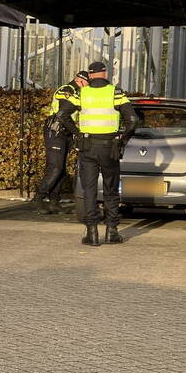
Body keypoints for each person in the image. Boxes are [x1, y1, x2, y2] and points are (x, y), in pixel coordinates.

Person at [58, 61, 138, 246]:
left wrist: (76, 132)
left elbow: (62, 114)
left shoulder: (81, 93)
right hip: (109, 146)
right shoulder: (115, 92)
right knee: (110, 189)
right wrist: (122, 137)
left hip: (87, 146)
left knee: (90, 190)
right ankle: (112, 231)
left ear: (90, 75)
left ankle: (92, 233)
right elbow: (133, 120)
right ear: (105, 73)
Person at [33, 71, 91, 214]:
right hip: (56, 130)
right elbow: (62, 115)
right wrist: (76, 132)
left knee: (61, 168)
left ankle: (54, 202)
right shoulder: (67, 90)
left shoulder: (77, 92)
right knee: (55, 168)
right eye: (88, 84)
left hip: (63, 132)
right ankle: (38, 198)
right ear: (81, 81)